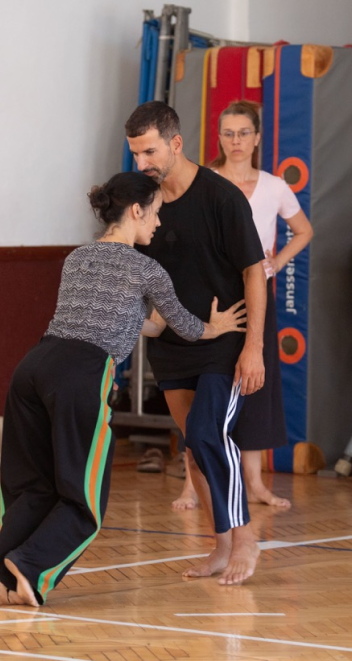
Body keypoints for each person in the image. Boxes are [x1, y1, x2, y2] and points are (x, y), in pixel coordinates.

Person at [0, 172, 247, 607]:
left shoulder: (77, 258)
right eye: (155, 213)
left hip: (34, 367)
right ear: (136, 211)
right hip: (81, 374)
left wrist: (156, 320)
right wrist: (215, 327)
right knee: (84, 498)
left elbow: (137, 323)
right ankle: (29, 566)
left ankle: (0, 570)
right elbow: (183, 325)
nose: (158, 222)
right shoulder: (147, 269)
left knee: (33, 487)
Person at [126, 100, 267, 585]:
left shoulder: (222, 198)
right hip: (173, 344)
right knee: (195, 451)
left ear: (176, 143)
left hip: (225, 339)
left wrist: (254, 347)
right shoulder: (145, 203)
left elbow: (254, 272)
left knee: (209, 434)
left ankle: (245, 538)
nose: (141, 163)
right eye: (135, 154)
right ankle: (221, 545)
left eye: (149, 152)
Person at [171, 99, 314, 511]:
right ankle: (191, 483)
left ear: (256, 138)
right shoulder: (204, 181)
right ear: (219, 138)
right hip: (209, 296)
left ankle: (255, 484)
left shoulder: (274, 186)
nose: (236, 140)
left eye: (244, 133)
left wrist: (276, 263)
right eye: (229, 133)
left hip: (256, 293)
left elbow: (304, 231)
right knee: (200, 388)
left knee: (253, 386)